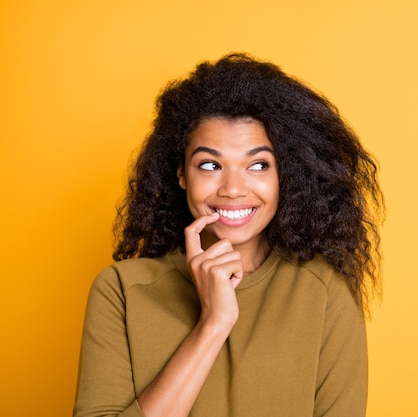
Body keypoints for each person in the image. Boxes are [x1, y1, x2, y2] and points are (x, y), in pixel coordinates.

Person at [73, 53, 384, 417]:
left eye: (258, 165)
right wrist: (213, 324)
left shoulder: (324, 291)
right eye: (210, 164)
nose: (233, 189)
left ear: (286, 175)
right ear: (181, 175)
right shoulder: (121, 291)